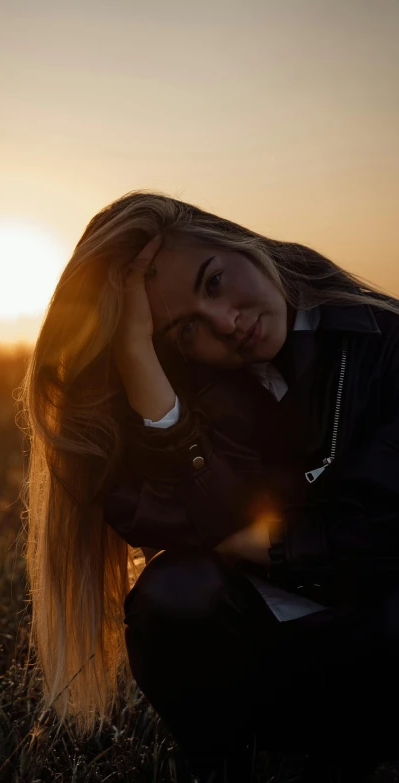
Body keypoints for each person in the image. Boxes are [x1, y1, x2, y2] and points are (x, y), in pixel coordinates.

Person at [20, 191, 399, 782]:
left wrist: (270, 547)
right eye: (184, 329)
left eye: (214, 281)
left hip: (388, 655)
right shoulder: (200, 392)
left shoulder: (386, 346)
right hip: (299, 680)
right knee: (174, 594)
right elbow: (168, 521)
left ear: (236, 238)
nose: (226, 323)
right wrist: (140, 365)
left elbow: (378, 539)